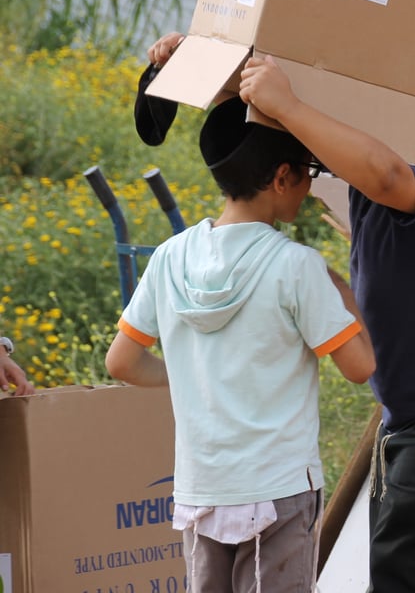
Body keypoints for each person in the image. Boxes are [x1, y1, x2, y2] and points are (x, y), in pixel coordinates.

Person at [140, 33, 415, 592]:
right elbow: (261, 158)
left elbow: (382, 174)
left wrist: (286, 103)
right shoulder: (373, 148)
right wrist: (208, 64)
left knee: (409, 575)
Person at [106, 93, 376, 592]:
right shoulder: (297, 266)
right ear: (281, 178)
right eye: (307, 175)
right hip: (277, 489)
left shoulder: (169, 256)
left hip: (200, 490)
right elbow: (360, 367)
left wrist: (195, 377)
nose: (309, 189)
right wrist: (348, 294)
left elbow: (121, 361)